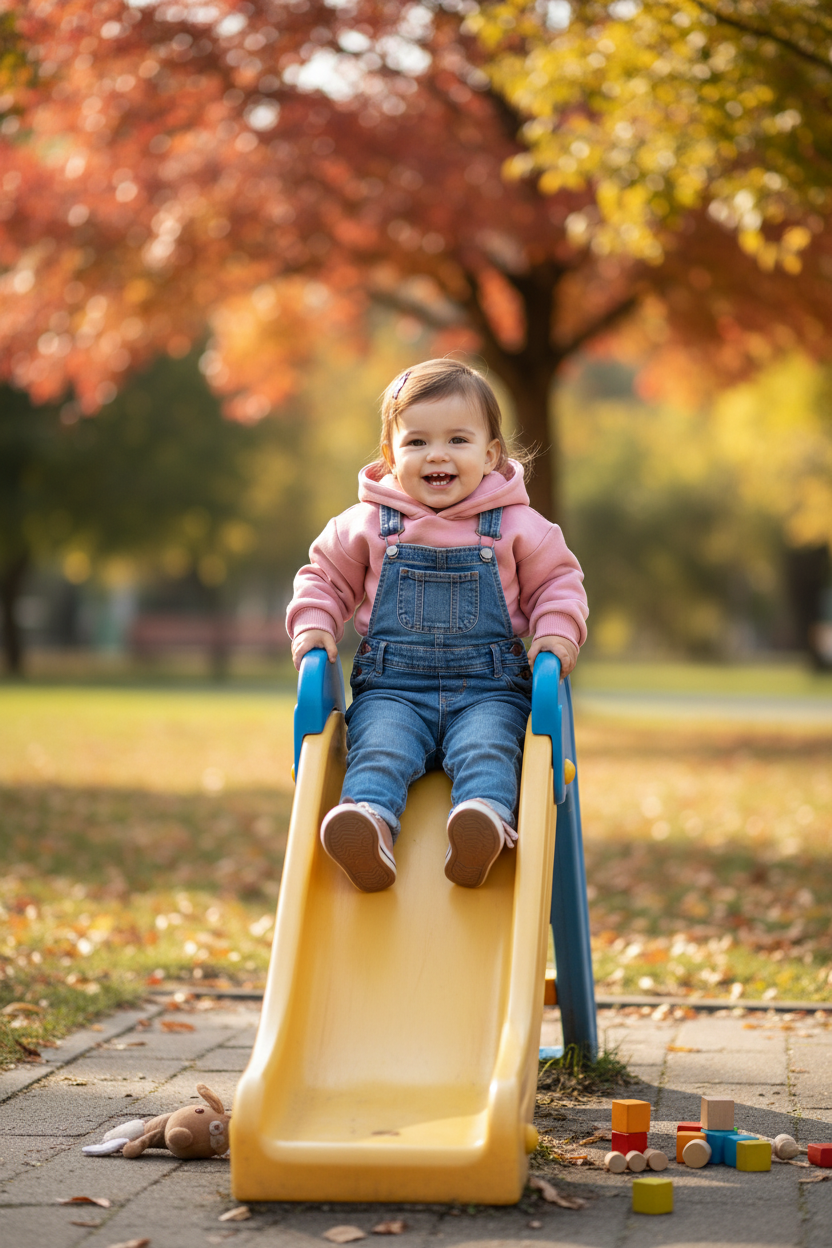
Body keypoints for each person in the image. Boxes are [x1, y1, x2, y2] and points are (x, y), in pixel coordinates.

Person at [286, 359, 587, 893]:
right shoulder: (367, 525)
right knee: (380, 747)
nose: (437, 455)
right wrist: (314, 625)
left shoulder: (518, 526)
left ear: (490, 454)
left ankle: (483, 822)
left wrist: (555, 635)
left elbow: (558, 584)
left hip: (489, 691)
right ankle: (369, 824)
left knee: (488, 746)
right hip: (394, 690)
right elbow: (324, 578)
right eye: (417, 442)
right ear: (390, 455)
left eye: (457, 439)